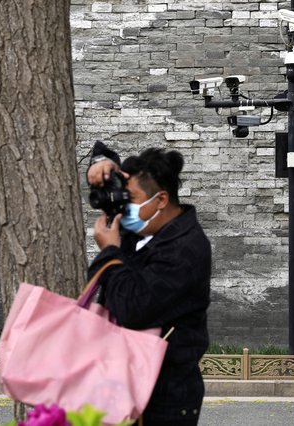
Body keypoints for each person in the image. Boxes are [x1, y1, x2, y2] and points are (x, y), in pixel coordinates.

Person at [86, 141, 212, 426]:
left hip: (163, 396)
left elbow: (133, 309)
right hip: (121, 379)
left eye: (129, 199)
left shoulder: (186, 249)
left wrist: (109, 253)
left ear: (161, 200)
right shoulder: (143, 228)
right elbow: (107, 165)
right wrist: (101, 162)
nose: (122, 206)